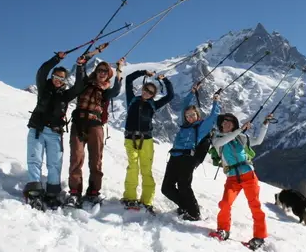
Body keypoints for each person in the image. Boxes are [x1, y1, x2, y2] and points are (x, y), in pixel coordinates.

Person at [24, 51, 86, 209]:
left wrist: (80, 67)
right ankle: (34, 191)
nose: (57, 81)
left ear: (65, 80)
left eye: (61, 78)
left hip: (55, 133)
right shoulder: (44, 87)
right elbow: (42, 70)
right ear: (52, 77)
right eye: (56, 77)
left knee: (54, 164)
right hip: (37, 129)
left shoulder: (65, 95)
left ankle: (53, 192)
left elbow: (79, 87)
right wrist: (56, 59)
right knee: (34, 160)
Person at [208, 112, 274, 250]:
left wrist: (264, 125)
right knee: (225, 203)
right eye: (224, 121)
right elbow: (222, 142)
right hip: (232, 178)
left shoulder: (240, 137)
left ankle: (259, 237)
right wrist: (240, 129)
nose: (226, 123)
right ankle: (223, 229)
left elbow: (258, 141)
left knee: (255, 206)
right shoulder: (216, 138)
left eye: (230, 122)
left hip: (249, 175)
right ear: (220, 124)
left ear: (233, 125)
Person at [65, 58, 125, 208]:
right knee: (76, 157)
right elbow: (80, 76)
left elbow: (117, 90)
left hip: (96, 125)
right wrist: (81, 64)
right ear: (96, 72)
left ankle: (93, 192)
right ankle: (74, 192)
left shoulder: (106, 91)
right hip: (79, 123)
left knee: (96, 160)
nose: (102, 73)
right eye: (99, 70)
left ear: (108, 75)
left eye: (105, 71)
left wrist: (119, 70)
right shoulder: (85, 83)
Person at [162, 83, 221, 221]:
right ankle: (186, 206)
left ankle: (194, 213)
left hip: (188, 158)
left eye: (192, 115)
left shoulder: (201, 126)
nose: (189, 117)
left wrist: (215, 101)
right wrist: (192, 92)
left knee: (184, 186)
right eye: (187, 115)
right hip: (174, 157)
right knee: (166, 188)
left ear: (197, 115)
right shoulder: (185, 124)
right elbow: (184, 105)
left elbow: (214, 116)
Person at [121, 69, 174, 212]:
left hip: (147, 140)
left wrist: (165, 80)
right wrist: (143, 72)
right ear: (143, 89)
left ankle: (147, 200)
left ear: (153, 95)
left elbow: (170, 96)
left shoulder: (153, 104)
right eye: (146, 90)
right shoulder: (132, 99)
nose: (147, 93)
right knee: (133, 167)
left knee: (146, 170)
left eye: (151, 93)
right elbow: (128, 80)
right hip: (130, 138)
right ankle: (130, 197)